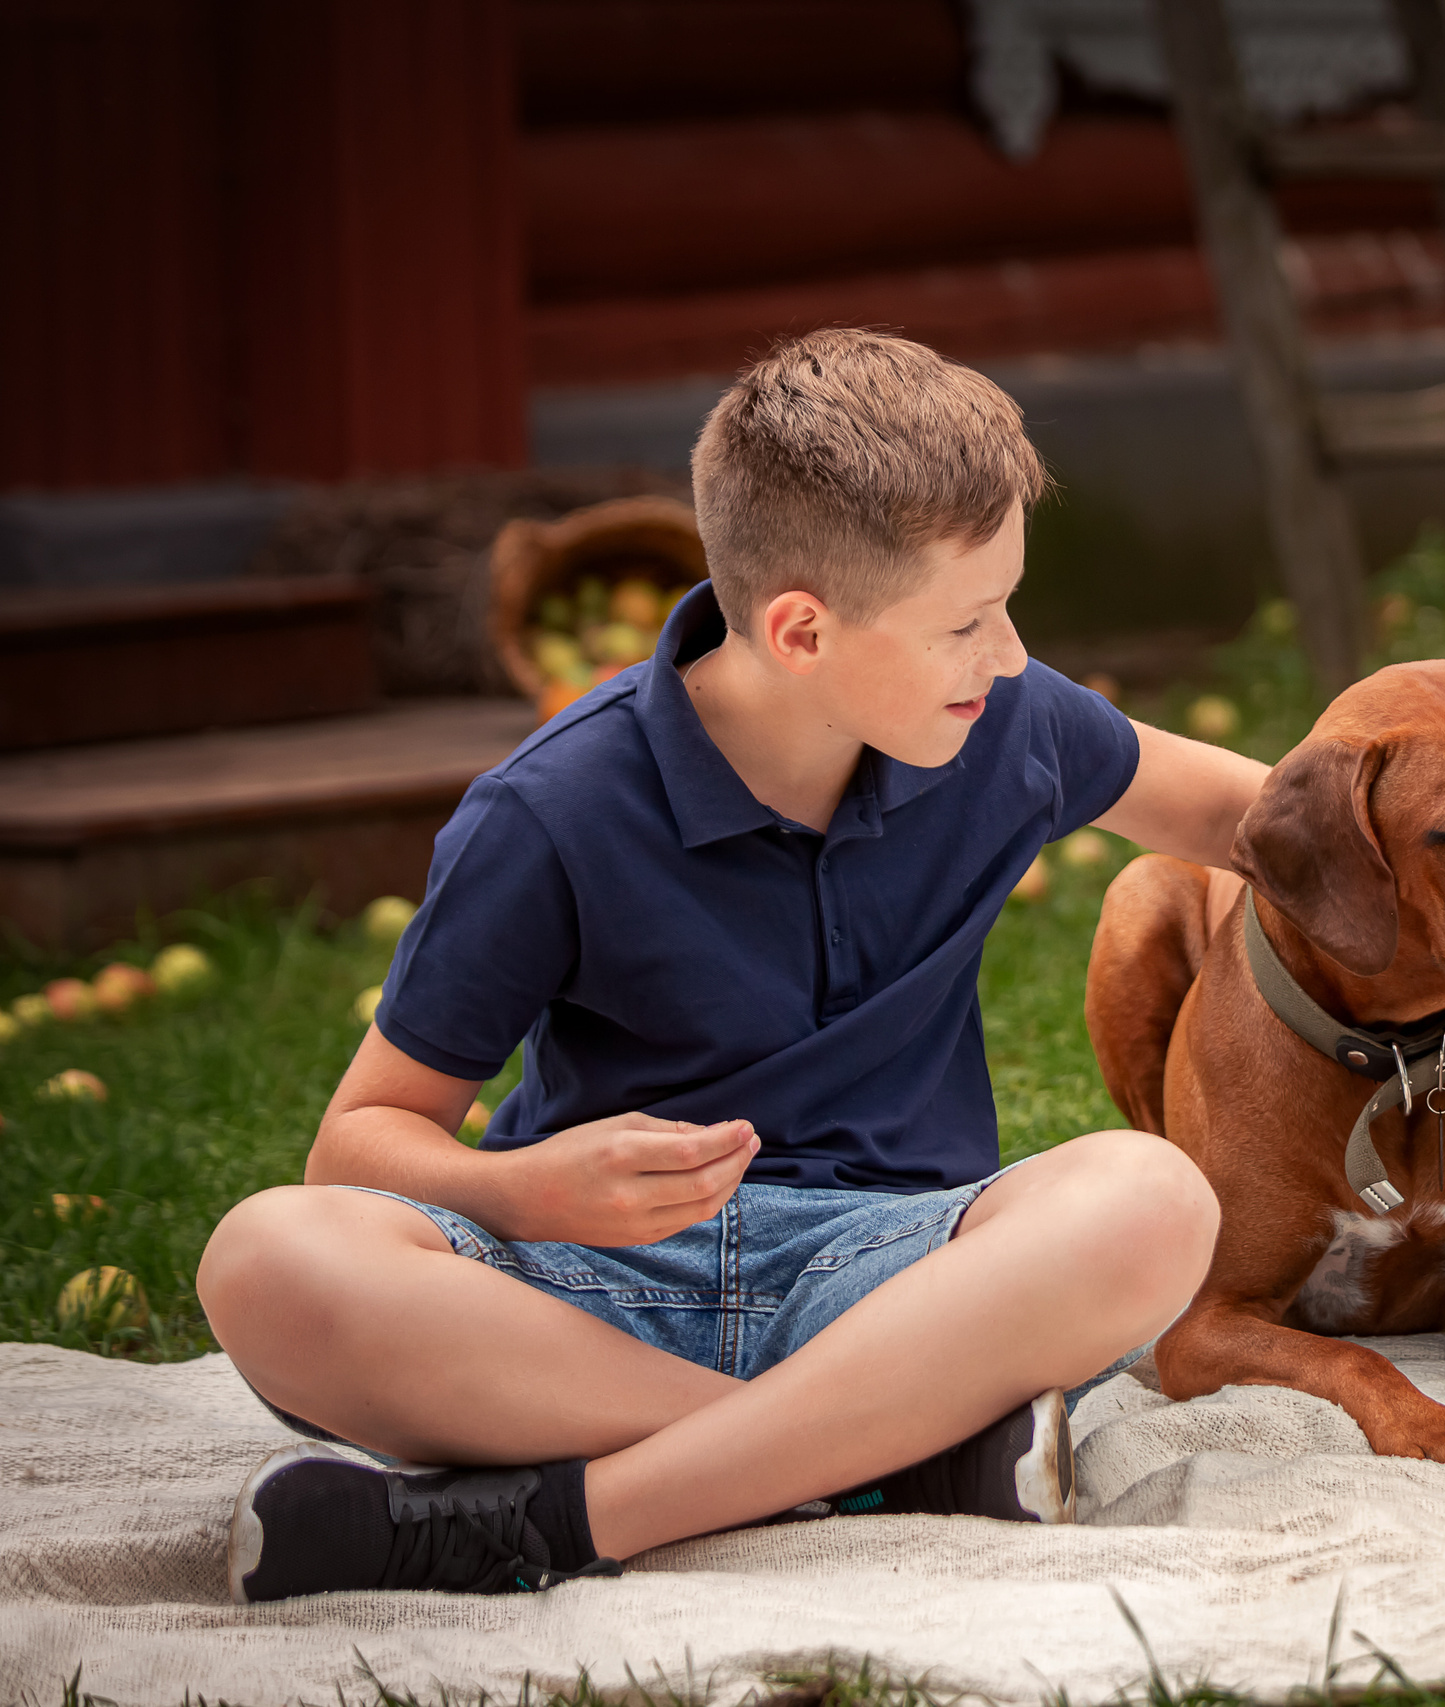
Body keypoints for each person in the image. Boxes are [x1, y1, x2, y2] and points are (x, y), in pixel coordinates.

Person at [198, 329, 1258, 1600]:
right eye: (967, 621)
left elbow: (1257, 819)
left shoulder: (1007, 725)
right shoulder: (551, 809)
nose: (1012, 654)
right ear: (800, 631)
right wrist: (524, 1191)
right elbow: (360, 1142)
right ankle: (884, 1464)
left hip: (899, 1285)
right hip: (586, 1297)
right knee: (266, 1258)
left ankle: (571, 1517)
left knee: (1152, 1199)